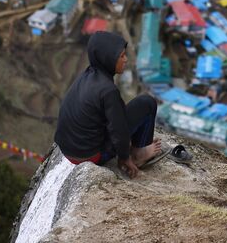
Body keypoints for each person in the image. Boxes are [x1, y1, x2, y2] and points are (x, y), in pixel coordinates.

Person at [55, 31, 162, 178]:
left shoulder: (87, 76)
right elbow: (119, 131)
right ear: (108, 59)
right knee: (147, 103)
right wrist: (124, 157)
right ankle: (138, 153)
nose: (125, 60)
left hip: (69, 150)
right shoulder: (108, 90)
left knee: (121, 112)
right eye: (121, 56)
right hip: (90, 155)